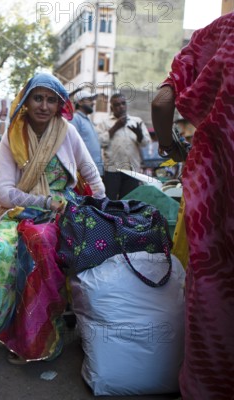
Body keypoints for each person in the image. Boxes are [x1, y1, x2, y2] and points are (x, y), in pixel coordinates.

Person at [0, 72, 105, 363]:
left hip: (61, 214)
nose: (44, 106)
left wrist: (96, 210)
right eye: (38, 98)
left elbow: (92, 177)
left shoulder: (67, 133)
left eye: (51, 100)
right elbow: (5, 194)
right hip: (20, 212)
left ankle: (38, 340)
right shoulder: (13, 137)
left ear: (59, 105)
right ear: (26, 100)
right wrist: (42, 200)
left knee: (41, 243)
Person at [151, 12, 234, 400]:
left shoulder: (220, 32)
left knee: (214, 287)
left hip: (216, 185)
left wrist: (169, 146)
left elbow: (162, 99)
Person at [97, 93, 150, 199]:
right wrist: (116, 127)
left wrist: (139, 135)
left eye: (123, 103)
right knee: (110, 201)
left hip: (132, 170)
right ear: (112, 108)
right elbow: (99, 142)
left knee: (128, 202)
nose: (121, 106)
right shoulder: (104, 123)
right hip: (112, 170)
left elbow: (146, 143)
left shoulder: (136, 121)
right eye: (117, 105)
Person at [70, 89, 103, 176]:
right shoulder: (75, 118)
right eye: (89, 100)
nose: (93, 103)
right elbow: (72, 145)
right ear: (80, 102)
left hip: (94, 170)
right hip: (83, 172)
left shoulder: (87, 120)